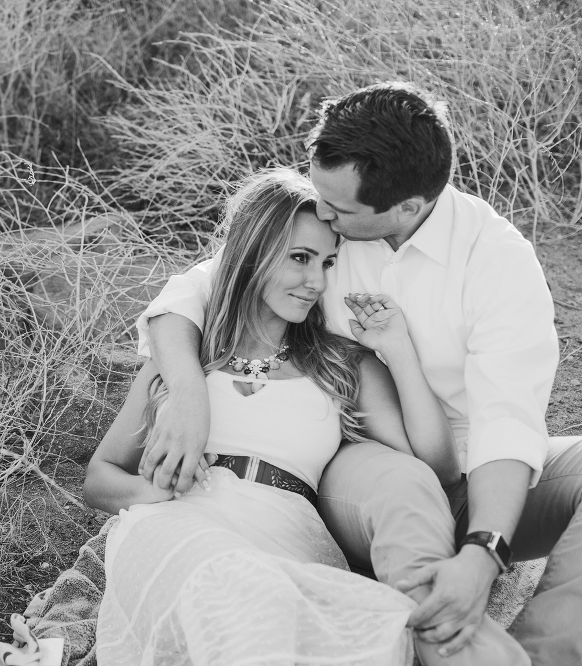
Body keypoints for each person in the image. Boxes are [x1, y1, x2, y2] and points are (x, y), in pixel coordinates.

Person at [136, 82, 582, 665]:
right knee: (405, 482)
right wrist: (188, 394)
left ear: (408, 207)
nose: (322, 212)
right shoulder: (322, 232)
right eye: (320, 193)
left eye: (340, 209)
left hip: (476, 479)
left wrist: (484, 550)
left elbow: (506, 418)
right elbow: (189, 296)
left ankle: (546, 655)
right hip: (365, 463)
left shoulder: (497, 260)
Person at [83, 168, 460, 665]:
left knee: (290, 610)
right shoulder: (184, 356)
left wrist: (398, 349)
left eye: (327, 262)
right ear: (253, 254)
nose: (316, 281)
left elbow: (434, 464)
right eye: (300, 258)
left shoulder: (341, 362)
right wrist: (150, 493)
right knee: (229, 580)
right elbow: (98, 478)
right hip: (176, 528)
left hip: (286, 533)